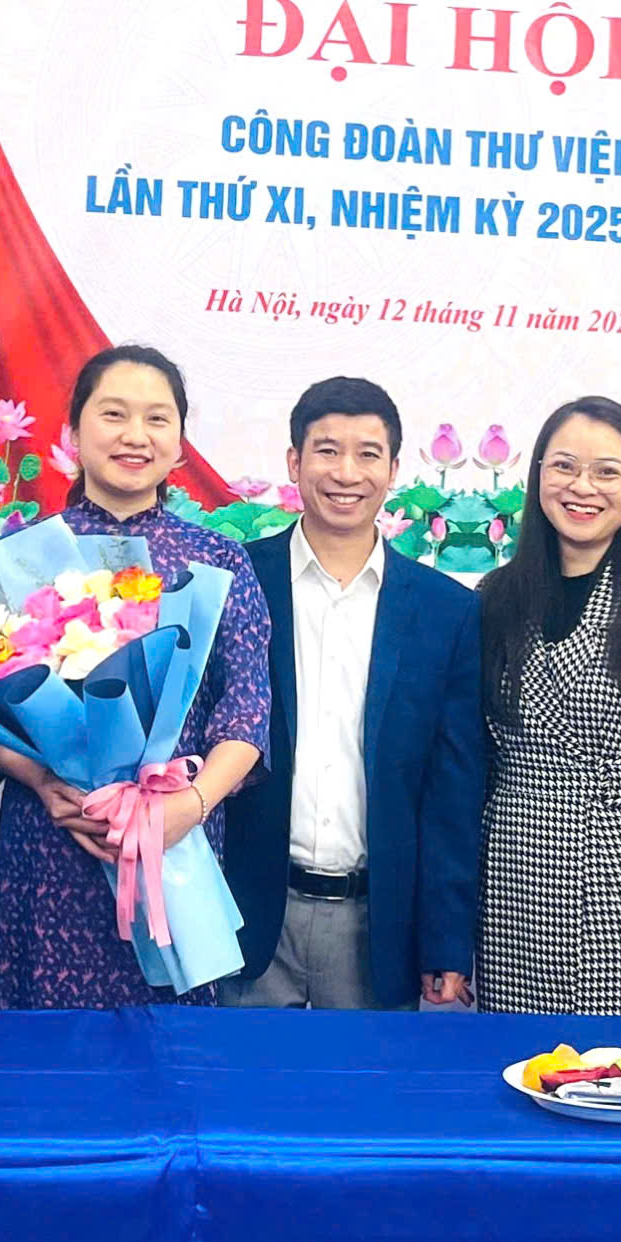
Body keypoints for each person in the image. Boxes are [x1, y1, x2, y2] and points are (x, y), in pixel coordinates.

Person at [0, 345, 272, 1009]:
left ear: (180, 443)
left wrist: (188, 808)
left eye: (157, 419)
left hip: (174, 847)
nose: (135, 435)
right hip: (52, 843)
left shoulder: (218, 560)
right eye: (113, 414)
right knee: (41, 1050)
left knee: (169, 1048)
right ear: (73, 431)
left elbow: (247, 712)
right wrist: (45, 781)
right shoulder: (20, 556)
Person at [223, 378, 488, 1010]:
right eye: (327, 451)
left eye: (368, 454)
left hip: (376, 928)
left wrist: (446, 940)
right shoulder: (236, 578)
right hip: (246, 916)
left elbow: (452, 790)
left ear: (394, 470)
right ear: (294, 462)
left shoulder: (446, 610)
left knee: (366, 1079)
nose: (346, 473)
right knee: (240, 1076)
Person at [474, 397, 621, 1016]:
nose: (582, 487)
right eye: (563, 467)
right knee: (517, 1064)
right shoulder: (495, 596)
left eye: (607, 472)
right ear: (537, 478)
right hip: (509, 885)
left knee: (615, 1065)